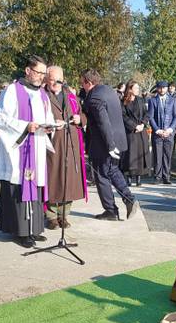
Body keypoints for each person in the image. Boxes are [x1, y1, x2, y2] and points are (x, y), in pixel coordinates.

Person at [0, 57, 56, 247]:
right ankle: (21, 231)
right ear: (28, 70)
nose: (41, 77)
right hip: (19, 150)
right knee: (20, 187)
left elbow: (48, 117)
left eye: (43, 74)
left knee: (35, 186)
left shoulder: (43, 94)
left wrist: (50, 128)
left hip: (36, 147)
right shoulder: (13, 90)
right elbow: (1, 118)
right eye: (38, 73)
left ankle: (34, 229)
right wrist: (25, 126)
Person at [80, 68, 137, 221]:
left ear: (89, 82)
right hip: (118, 139)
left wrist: (110, 145)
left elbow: (103, 122)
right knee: (112, 170)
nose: (82, 86)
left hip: (105, 143)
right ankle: (129, 199)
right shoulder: (108, 91)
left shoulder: (94, 98)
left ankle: (111, 210)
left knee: (101, 175)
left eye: (83, 83)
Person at [42, 66, 86, 230]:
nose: (52, 82)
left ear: (62, 78)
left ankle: (64, 215)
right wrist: (52, 124)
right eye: (50, 79)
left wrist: (79, 118)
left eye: (55, 79)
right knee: (53, 179)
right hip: (53, 144)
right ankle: (51, 216)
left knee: (69, 180)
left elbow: (84, 116)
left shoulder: (71, 97)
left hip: (71, 143)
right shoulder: (43, 96)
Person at [147, 80, 176, 184]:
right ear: (157, 88)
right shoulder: (152, 100)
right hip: (158, 133)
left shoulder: (173, 100)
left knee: (167, 155)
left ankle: (166, 177)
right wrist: (157, 130)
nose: (162, 89)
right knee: (157, 155)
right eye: (160, 88)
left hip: (169, 133)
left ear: (167, 88)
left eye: (164, 88)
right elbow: (150, 117)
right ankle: (157, 177)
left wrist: (170, 129)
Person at [120, 81, 151, 186]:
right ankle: (129, 178)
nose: (138, 89)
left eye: (138, 88)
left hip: (141, 131)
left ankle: (138, 178)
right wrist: (134, 126)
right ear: (130, 89)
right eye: (136, 88)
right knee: (130, 155)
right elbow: (124, 117)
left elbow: (147, 114)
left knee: (140, 155)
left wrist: (142, 124)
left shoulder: (141, 100)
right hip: (130, 132)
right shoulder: (123, 102)